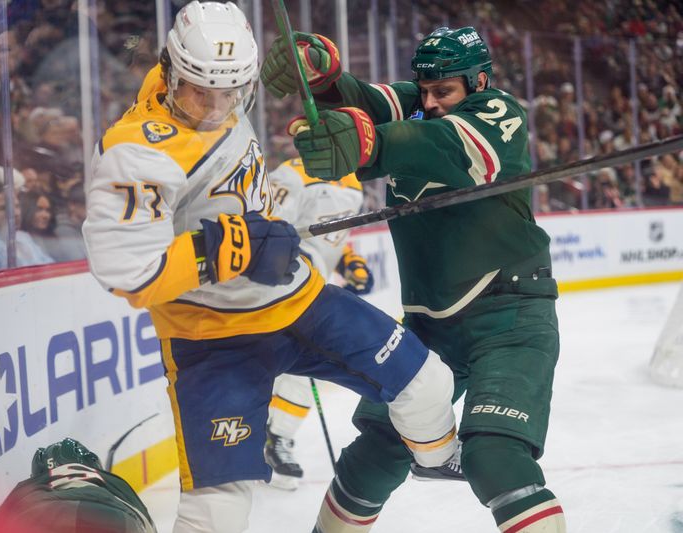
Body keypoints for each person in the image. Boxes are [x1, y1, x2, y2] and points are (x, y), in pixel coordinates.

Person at [83, 3, 459, 532]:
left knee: (428, 381)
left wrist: (318, 79)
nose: (216, 107)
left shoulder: (219, 89)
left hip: (300, 302)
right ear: (170, 71)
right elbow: (128, 271)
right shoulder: (136, 153)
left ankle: (438, 457)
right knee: (220, 510)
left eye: (231, 93)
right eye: (200, 91)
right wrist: (234, 246)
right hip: (213, 339)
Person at [262, 26, 566, 532]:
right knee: (375, 452)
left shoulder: (499, 113)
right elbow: (359, 101)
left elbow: (444, 146)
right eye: (423, 90)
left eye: (442, 91)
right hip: (432, 326)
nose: (429, 102)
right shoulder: (421, 103)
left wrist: (368, 142)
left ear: (479, 82)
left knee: (494, 458)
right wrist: (321, 75)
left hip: (509, 313)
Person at [264, 157, 373, 489]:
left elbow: (335, 236)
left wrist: (349, 260)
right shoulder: (291, 174)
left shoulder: (353, 180)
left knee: (303, 364)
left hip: (316, 284)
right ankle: (265, 438)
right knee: (293, 361)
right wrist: (297, 266)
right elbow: (266, 228)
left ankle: (275, 438)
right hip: (283, 286)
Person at [0, 438, 157, 533]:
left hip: (38, 514)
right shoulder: (115, 485)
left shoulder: (31, 487)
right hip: (118, 520)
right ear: (94, 466)